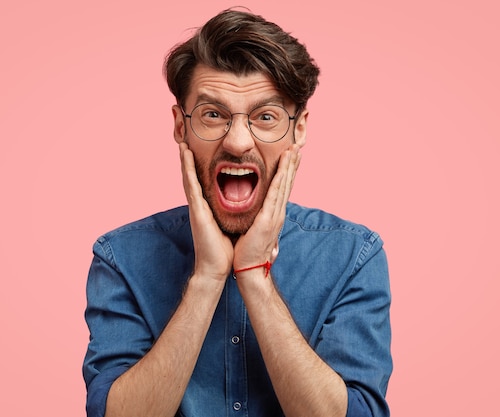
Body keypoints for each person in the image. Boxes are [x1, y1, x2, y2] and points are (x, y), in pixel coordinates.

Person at [83, 8, 392, 417]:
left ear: (298, 129)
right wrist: (207, 278)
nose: (239, 142)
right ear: (180, 126)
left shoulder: (354, 256)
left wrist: (255, 279)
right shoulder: (121, 257)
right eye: (214, 115)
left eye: (266, 117)